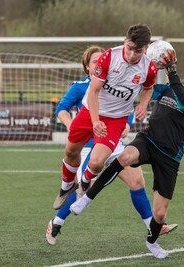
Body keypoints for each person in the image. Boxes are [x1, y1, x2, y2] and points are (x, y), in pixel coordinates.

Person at [71, 51, 184, 259]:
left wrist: (171, 71)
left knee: (160, 214)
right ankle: (86, 198)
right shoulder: (169, 89)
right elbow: (145, 88)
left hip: (170, 157)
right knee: (123, 158)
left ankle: (151, 242)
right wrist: (149, 68)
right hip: (148, 141)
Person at [46, 46, 177, 245]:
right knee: (84, 186)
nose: (99, 64)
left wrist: (126, 124)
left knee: (136, 182)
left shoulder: (119, 81)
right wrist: (72, 125)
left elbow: (129, 107)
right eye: (94, 62)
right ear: (87, 67)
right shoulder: (81, 87)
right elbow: (62, 109)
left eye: (101, 61)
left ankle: (153, 225)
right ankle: (56, 222)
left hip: (113, 142)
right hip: (90, 146)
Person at [52, 24, 157, 212]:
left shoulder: (149, 68)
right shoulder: (110, 57)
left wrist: (143, 104)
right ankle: (66, 187)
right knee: (70, 152)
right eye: (130, 48)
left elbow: (149, 88)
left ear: (146, 48)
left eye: (138, 51)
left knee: (96, 162)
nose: (132, 55)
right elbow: (93, 91)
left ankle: (84, 183)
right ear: (125, 41)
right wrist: (94, 121)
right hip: (89, 111)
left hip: (116, 119)